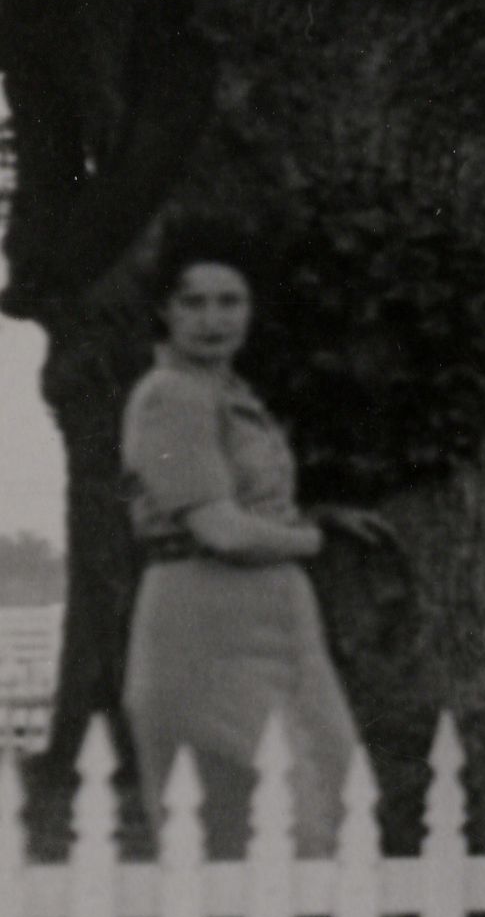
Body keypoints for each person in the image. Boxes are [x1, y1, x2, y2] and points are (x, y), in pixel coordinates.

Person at [118, 248, 369, 856]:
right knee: (250, 829)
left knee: (317, 814)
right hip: (203, 622)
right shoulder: (169, 396)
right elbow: (221, 530)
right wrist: (313, 541)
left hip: (271, 619)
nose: (213, 318)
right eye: (193, 301)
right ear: (164, 311)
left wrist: (310, 518)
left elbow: (249, 504)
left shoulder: (227, 393)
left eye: (230, 301)